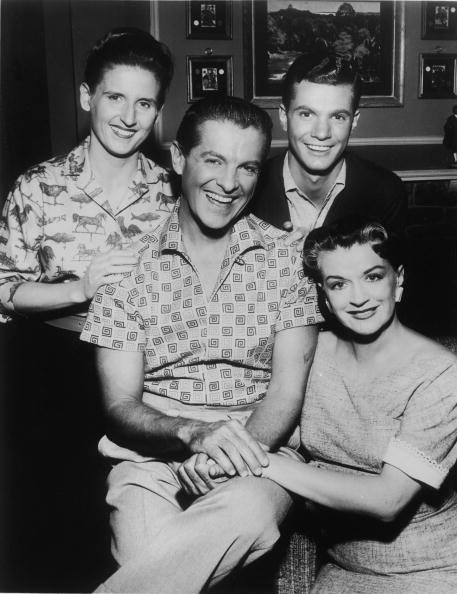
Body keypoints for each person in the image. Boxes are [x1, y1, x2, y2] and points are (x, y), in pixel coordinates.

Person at [79, 95, 321, 593]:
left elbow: (285, 394)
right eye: (213, 160)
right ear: (178, 158)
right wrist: (191, 433)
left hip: (259, 450)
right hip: (147, 456)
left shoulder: (288, 261)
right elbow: (119, 404)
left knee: (251, 512)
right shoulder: (128, 268)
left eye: (247, 167)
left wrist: (227, 454)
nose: (229, 184)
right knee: (150, 551)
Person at [0, 28, 175, 592]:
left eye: (144, 102)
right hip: (52, 372)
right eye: (114, 97)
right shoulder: (37, 187)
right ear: (86, 97)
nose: (128, 116)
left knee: (138, 522)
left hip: (149, 370)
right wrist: (78, 288)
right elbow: (4, 287)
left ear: (158, 111)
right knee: (55, 524)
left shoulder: (173, 194)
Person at [260, 217, 457, 593]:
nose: (358, 298)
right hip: (343, 572)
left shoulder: (441, 374)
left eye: (372, 277)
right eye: (339, 284)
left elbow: (387, 500)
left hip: (432, 572)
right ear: (323, 294)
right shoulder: (311, 352)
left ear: (397, 280)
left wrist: (261, 461)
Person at [249, 53, 407, 237]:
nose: (322, 133)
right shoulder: (249, 187)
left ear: (353, 122)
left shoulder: (385, 192)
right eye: (306, 114)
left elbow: (390, 265)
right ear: (284, 117)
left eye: (338, 117)